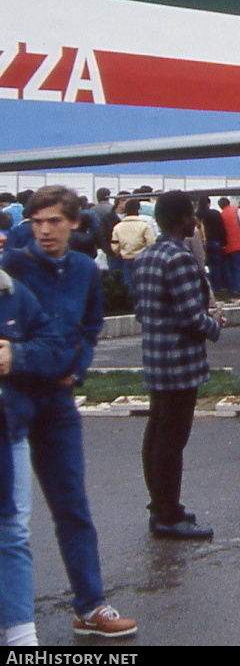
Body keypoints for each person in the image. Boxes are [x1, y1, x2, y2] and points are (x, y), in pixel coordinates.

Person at [2, 186, 137, 635]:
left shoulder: (83, 269)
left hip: (57, 401)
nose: (44, 230)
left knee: (72, 506)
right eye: (37, 221)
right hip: (16, 398)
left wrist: (75, 368)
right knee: (11, 520)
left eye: (54, 221)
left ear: (74, 222)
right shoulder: (12, 268)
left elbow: (92, 325)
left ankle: (90, 606)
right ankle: (16, 620)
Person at [133, 191, 221, 541]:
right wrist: (215, 325)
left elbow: (142, 310)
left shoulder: (146, 256)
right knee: (172, 440)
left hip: (155, 357)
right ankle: (168, 515)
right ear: (179, 218)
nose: (196, 221)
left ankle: (161, 505)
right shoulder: (179, 258)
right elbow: (190, 317)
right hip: (180, 362)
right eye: (191, 215)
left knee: (156, 434)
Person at [0, 231, 73, 645]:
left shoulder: (12, 294)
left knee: (11, 532)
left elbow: (54, 347)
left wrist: (16, 357)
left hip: (7, 434)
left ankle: (21, 636)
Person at [218, 197, 240, 295]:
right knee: (238, 267)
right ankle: (237, 288)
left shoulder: (221, 215)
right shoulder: (237, 211)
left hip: (226, 245)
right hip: (239, 243)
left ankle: (230, 288)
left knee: (228, 267)